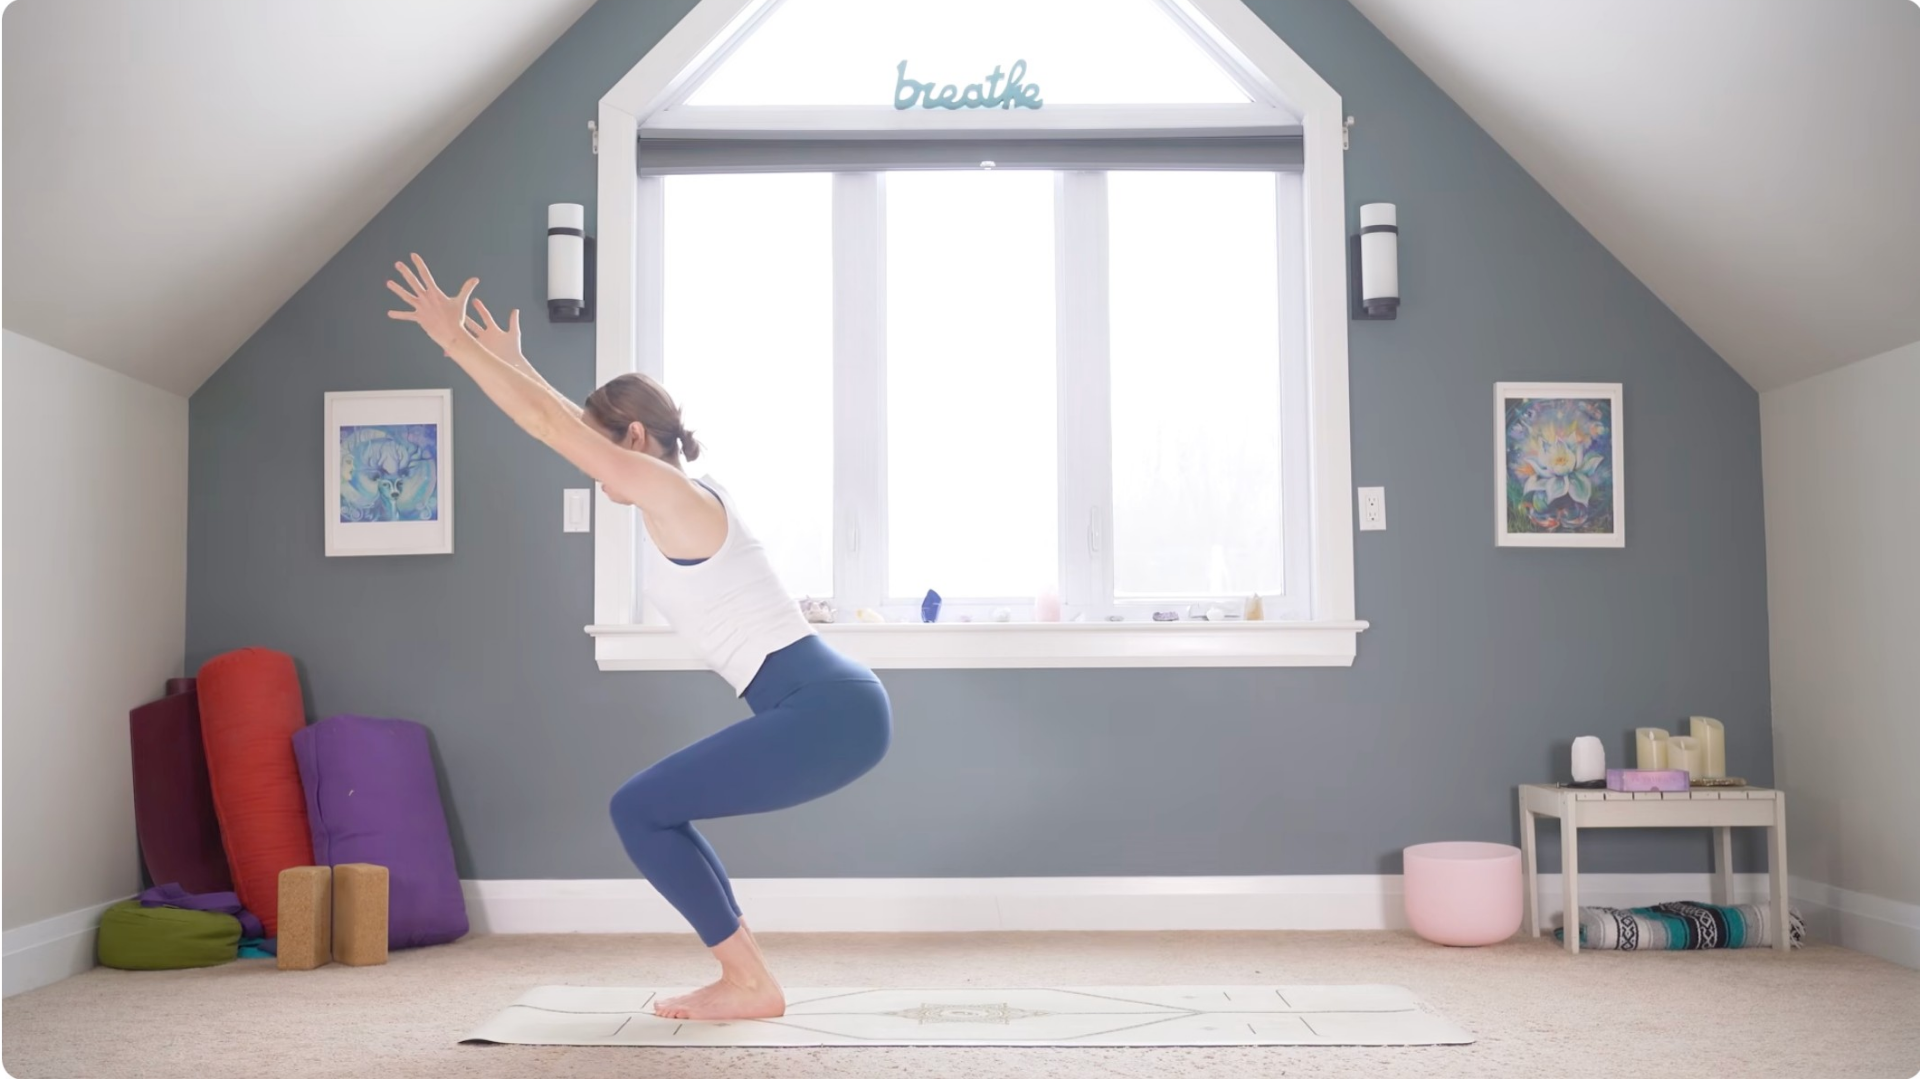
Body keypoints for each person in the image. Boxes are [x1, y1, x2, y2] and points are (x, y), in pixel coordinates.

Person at [386, 254, 891, 1021]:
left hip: (825, 708)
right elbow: (564, 423)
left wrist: (458, 344)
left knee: (638, 809)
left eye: (606, 451)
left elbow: (549, 426)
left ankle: (749, 982)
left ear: (632, 437)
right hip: (825, 700)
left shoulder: (665, 489)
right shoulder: (677, 487)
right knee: (652, 808)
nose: (597, 471)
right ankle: (747, 978)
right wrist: (512, 361)